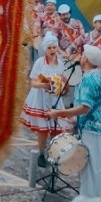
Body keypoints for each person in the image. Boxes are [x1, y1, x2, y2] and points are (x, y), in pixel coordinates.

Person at [49, 45, 101, 197]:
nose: (80, 57)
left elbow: (85, 107)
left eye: (82, 55)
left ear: (86, 59)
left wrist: (60, 113)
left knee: (90, 172)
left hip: (92, 130)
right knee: (97, 171)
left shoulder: (89, 78)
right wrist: (76, 121)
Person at [21, 32, 71, 167]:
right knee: (42, 129)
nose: (52, 50)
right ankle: (41, 154)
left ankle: (53, 153)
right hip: (40, 98)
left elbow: (64, 81)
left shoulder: (61, 64)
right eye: (49, 48)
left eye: (54, 47)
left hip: (54, 98)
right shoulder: (39, 63)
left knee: (57, 128)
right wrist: (45, 84)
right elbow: (33, 82)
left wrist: (62, 88)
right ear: (45, 49)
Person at [65, 14, 101, 80]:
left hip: (98, 74)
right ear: (94, 23)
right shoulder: (85, 37)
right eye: (100, 22)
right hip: (83, 72)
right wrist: (67, 56)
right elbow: (71, 47)